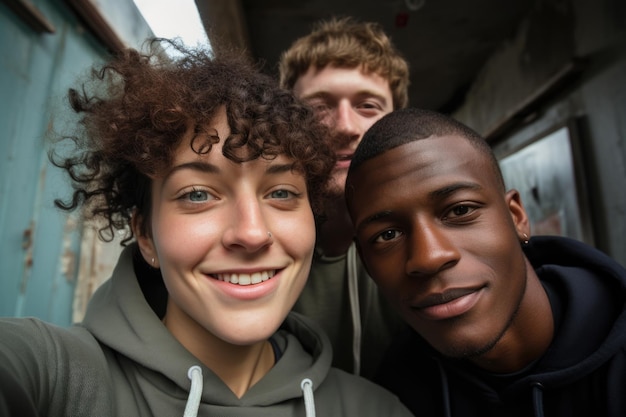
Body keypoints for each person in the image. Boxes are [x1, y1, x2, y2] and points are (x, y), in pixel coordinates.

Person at [0, 40, 414, 417]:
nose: (252, 233)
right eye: (198, 194)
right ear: (145, 235)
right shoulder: (54, 375)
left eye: (283, 192)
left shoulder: (377, 408)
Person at [344, 107, 626, 416]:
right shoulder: (392, 396)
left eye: (460, 210)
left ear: (517, 218)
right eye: (387, 235)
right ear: (366, 263)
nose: (429, 257)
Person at [278, 16, 410, 379]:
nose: (345, 127)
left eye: (368, 106)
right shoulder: (251, 240)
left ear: (397, 123)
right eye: (319, 107)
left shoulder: (427, 245)